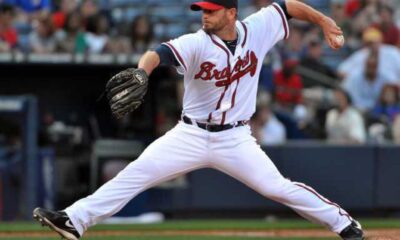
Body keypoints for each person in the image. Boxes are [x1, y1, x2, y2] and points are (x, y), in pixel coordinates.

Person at [33, 1, 365, 240]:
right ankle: (74, 220)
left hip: (235, 139)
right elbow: (158, 53)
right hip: (189, 135)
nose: (204, 15)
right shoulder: (195, 42)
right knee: (135, 174)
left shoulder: (259, 29)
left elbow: (288, 6)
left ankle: (345, 225)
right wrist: (141, 71)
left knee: (277, 187)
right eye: (202, 10)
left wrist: (323, 21)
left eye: (211, 10)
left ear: (231, 12)